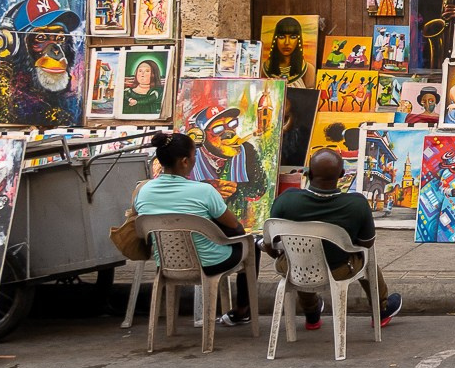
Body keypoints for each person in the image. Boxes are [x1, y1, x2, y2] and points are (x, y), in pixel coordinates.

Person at [266, 148, 400, 331]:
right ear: (342, 174)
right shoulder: (357, 204)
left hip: (293, 269)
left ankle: (312, 314)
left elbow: (270, 242)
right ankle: (381, 308)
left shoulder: (286, 199)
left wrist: (277, 254)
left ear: (309, 173)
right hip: (339, 269)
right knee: (367, 257)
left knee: (298, 255)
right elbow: (367, 243)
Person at [134, 131, 257, 327]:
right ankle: (242, 310)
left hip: (166, 264)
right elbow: (235, 226)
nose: (195, 160)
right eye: (194, 156)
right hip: (210, 263)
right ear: (184, 161)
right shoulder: (204, 191)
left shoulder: (143, 191)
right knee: (252, 245)